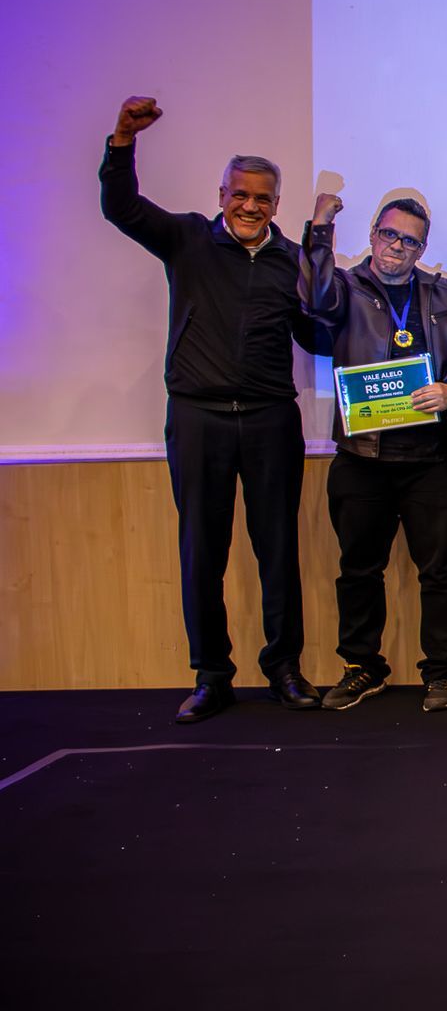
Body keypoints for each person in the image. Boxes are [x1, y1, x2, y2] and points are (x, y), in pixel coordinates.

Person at [98, 96, 323, 723]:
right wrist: (123, 140)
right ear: (221, 194)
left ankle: (284, 670)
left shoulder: (294, 261)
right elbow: (121, 208)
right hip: (198, 419)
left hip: (272, 419)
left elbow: (318, 339)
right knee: (203, 549)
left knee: (277, 548)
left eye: (263, 199)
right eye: (239, 195)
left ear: (277, 205)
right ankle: (211, 675)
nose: (250, 207)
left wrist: (339, 294)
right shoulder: (188, 239)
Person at [302, 190, 447, 712]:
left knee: (442, 572)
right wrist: (319, 230)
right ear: (373, 235)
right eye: (389, 235)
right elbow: (310, 301)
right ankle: (363, 668)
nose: (397, 247)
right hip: (363, 457)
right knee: (358, 570)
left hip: (433, 459)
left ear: (422, 247)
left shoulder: (446, 293)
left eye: (409, 240)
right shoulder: (342, 288)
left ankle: (443, 673)